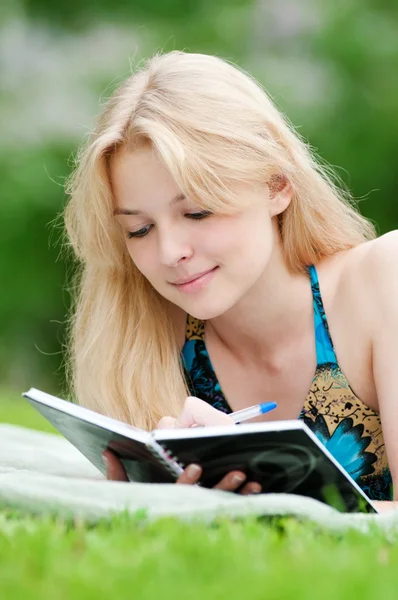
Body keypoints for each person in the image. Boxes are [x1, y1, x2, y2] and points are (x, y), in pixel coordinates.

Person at [64, 50, 398, 511]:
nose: (169, 252)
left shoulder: (384, 278)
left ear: (277, 185)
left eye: (198, 212)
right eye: (139, 229)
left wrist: (260, 502)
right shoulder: (142, 332)